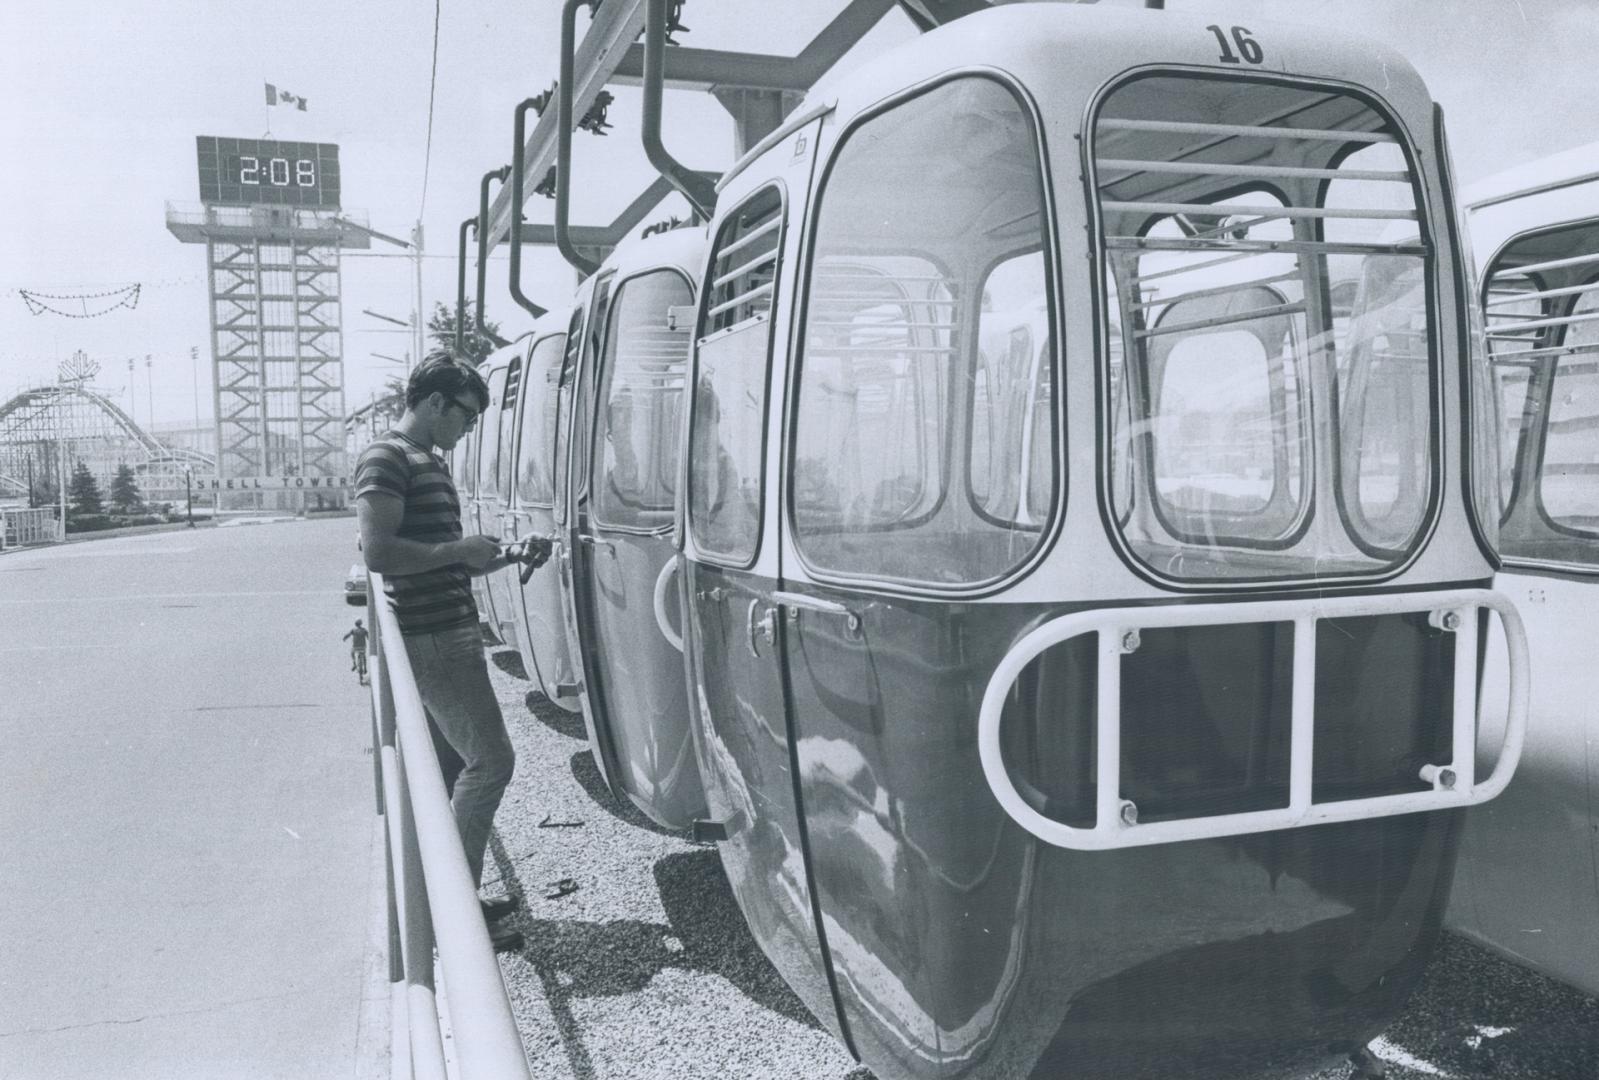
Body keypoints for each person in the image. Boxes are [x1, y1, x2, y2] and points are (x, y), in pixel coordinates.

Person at [353, 356, 551, 952]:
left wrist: (508, 552)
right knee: (491, 762)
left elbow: (443, 549)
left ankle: (448, 905)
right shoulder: (387, 458)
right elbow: (381, 552)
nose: (469, 428)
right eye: (466, 415)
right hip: (434, 637)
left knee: (449, 772)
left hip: (449, 630)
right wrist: (459, 550)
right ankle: (456, 915)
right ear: (436, 402)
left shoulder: (425, 462)